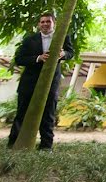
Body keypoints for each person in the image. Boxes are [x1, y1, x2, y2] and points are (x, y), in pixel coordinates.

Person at [7, 12, 74, 150]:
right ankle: (13, 143)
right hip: (29, 83)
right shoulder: (29, 40)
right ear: (38, 24)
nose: (45, 24)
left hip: (51, 83)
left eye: (48, 21)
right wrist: (38, 58)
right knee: (21, 114)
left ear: (54, 23)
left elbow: (70, 53)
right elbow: (19, 59)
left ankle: (46, 146)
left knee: (48, 115)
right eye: (42, 22)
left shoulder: (62, 37)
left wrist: (63, 54)